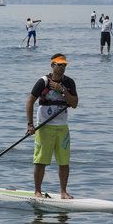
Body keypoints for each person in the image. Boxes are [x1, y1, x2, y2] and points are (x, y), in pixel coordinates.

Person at [25, 54, 78, 199]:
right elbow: (29, 102)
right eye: (59, 65)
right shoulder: (43, 82)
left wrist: (62, 91)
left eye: (64, 65)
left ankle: (63, 192)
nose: (62, 67)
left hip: (62, 127)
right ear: (52, 65)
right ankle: (37, 191)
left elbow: (74, 103)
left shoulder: (69, 83)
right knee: (41, 160)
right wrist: (30, 124)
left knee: (64, 162)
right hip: (44, 127)